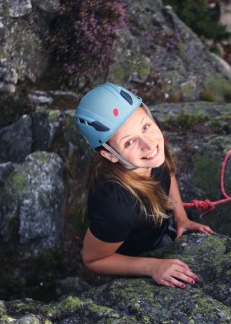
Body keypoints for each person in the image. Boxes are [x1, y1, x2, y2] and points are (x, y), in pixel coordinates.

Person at [75, 82, 213, 287]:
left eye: (146, 126)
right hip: (138, 254)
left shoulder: (150, 154)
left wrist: (181, 217)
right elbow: (93, 259)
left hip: (162, 226)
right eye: (129, 142)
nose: (149, 145)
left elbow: (167, 172)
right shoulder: (117, 207)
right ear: (109, 155)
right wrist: (153, 266)